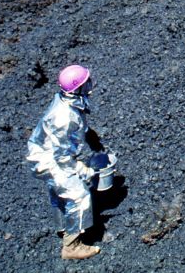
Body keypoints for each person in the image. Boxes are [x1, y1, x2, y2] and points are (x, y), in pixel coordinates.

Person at [26, 64, 113, 260]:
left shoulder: (68, 101)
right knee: (78, 194)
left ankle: (63, 226)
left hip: (45, 153)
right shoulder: (65, 117)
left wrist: (90, 138)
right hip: (48, 159)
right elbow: (62, 157)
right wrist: (84, 170)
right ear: (78, 88)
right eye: (86, 82)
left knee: (60, 191)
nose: (90, 84)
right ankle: (71, 247)